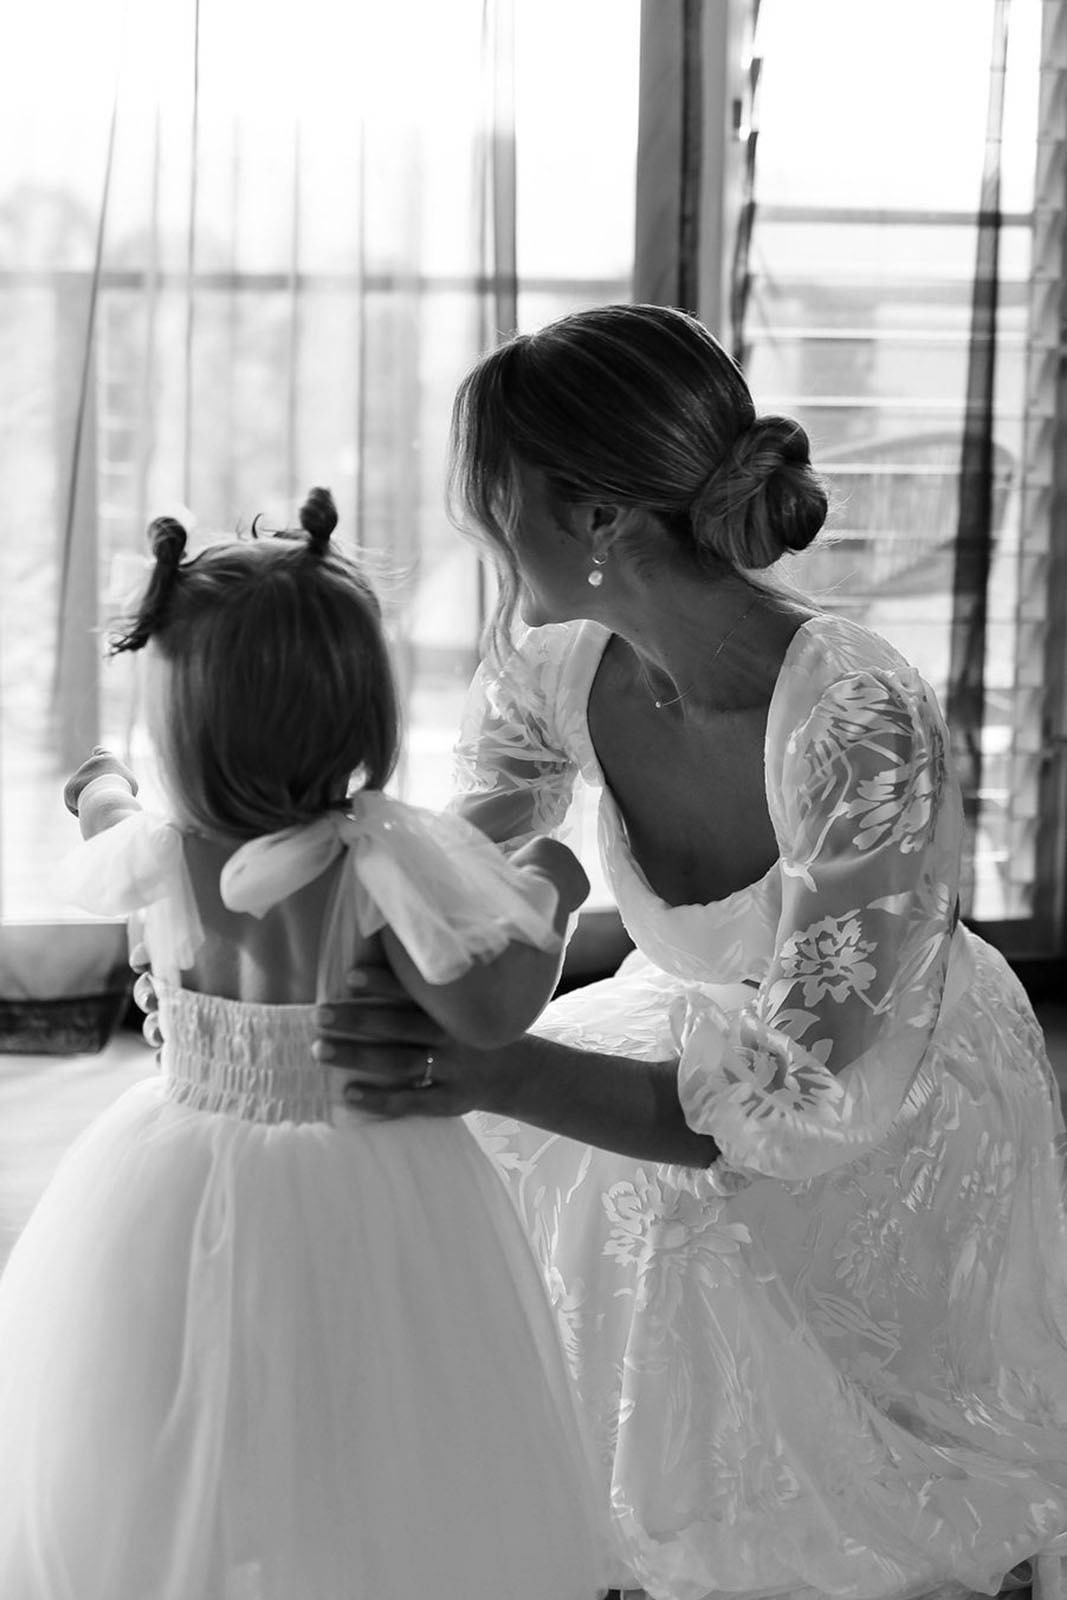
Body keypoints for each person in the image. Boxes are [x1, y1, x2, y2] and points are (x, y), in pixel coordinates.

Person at [313, 305, 1067, 1600]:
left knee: (656, 1215)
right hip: (696, 1018)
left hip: (880, 1071)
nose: (480, 529)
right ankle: (597, 1525)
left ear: (599, 517)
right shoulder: (555, 669)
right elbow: (449, 880)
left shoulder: (856, 718)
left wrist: (492, 1068)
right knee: (507, 1176)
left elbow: (812, 1093)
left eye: (497, 496)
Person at [0, 490, 609, 1600]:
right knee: (369, 1413)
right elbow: (486, 1011)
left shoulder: (159, 851)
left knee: (179, 1410)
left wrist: (97, 777)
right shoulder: (376, 861)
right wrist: (549, 890)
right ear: (359, 714)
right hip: (365, 1163)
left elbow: (101, 813)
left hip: (177, 1162)